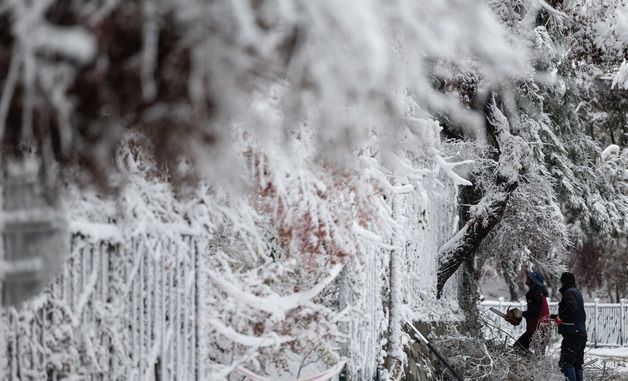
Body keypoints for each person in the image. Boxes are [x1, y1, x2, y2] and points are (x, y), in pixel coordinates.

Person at [550, 272, 587, 381]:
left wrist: (560, 318)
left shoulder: (569, 293)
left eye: (561, 282)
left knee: (566, 362)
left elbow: (571, 307)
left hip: (572, 335)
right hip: (580, 334)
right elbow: (574, 313)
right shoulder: (577, 293)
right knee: (576, 364)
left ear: (564, 282)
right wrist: (554, 317)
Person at [505, 271, 550, 351]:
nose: (527, 278)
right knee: (536, 354)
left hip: (538, 329)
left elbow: (535, 312)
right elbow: (534, 311)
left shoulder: (535, 293)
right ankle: (531, 362)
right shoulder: (537, 293)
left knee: (518, 348)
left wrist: (519, 313)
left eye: (529, 277)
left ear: (533, 280)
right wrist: (518, 315)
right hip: (539, 328)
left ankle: (530, 362)